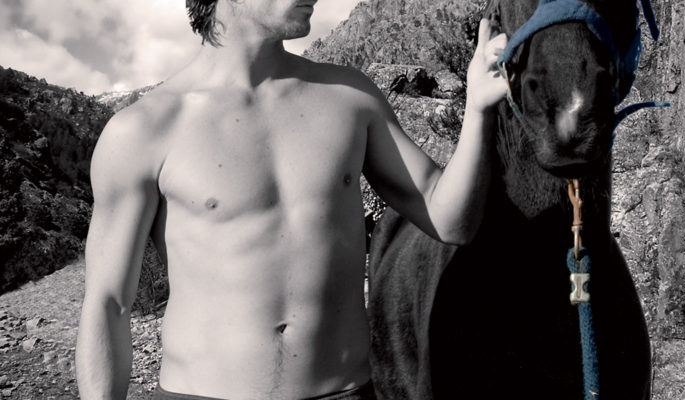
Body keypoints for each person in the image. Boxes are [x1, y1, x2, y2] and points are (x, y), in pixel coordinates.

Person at [75, 0, 508, 398]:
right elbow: (108, 304)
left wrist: (478, 108)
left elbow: (450, 219)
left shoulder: (350, 98)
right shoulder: (143, 130)